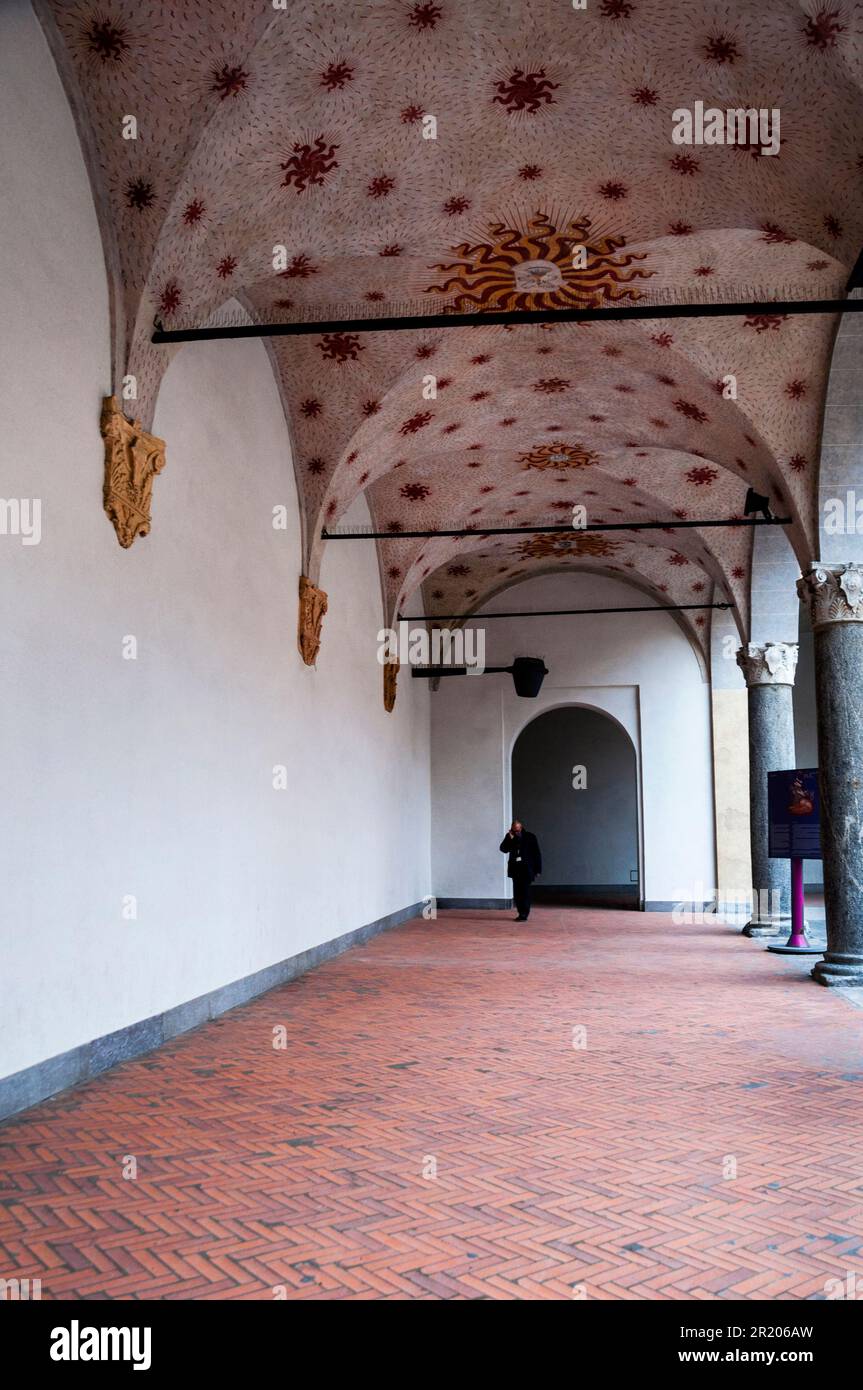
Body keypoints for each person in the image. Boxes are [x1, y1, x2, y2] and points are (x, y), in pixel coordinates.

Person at [499, 819, 542, 921]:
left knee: (525, 892)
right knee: (517, 893)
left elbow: (537, 854)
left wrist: (538, 869)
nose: (516, 832)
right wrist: (510, 839)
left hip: (527, 869)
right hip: (516, 869)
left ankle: (524, 914)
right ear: (512, 829)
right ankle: (520, 913)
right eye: (514, 831)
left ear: (521, 828)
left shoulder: (530, 837)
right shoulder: (510, 837)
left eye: (518, 830)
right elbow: (503, 849)